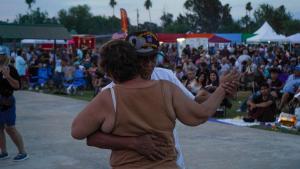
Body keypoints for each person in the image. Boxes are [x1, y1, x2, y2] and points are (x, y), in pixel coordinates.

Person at [72, 40, 239, 169]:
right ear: (135, 61)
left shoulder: (109, 97)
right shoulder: (167, 88)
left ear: (109, 71)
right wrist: (222, 90)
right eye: (146, 58)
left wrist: (213, 91)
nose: (151, 63)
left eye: (153, 57)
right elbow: (199, 114)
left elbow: (78, 132)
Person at [0, 49, 28, 161]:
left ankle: (23, 152)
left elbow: (17, 86)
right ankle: (4, 152)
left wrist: (7, 76)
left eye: (1, 55)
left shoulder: (10, 69)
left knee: (10, 127)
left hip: (7, 101)